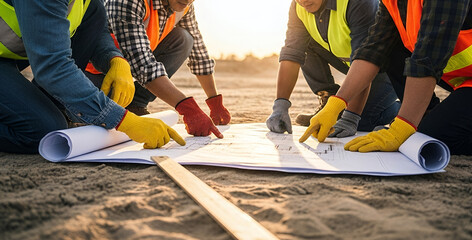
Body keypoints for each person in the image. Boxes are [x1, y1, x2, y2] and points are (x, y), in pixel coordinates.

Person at [0, 0, 185, 154]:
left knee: (95, 12)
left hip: (9, 59)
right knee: (43, 130)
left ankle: (50, 106)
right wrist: (124, 121)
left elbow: (97, 31)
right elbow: (53, 67)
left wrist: (115, 60)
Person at [300, 0, 472, 155]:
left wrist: (402, 127)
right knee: (391, 46)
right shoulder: (391, 2)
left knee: (435, 136)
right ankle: (426, 115)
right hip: (464, 82)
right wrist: (335, 104)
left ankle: (422, 123)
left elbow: (428, 53)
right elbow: (374, 49)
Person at [86, 0, 230, 138]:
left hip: (128, 72)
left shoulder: (184, 4)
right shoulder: (129, 1)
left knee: (184, 38)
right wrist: (187, 108)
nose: (188, 0)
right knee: (91, 112)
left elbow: (198, 52)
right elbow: (142, 63)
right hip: (92, 74)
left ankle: (135, 104)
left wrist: (214, 101)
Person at [266, 0, 400, 138]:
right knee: (303, 43)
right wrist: (280, 105)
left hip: (389, 68)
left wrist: (350, 118)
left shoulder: (359, 2)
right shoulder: (298, 6)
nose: (302, 1)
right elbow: (292, 52)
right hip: (356, 63)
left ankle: (403, 109)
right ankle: (328, 101)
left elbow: (366, 58)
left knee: (362, 121)